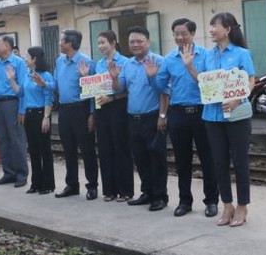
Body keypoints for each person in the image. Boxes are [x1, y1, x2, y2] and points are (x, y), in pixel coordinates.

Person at [182, 12, 254, 227]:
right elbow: (203, 83)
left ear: (228, 29)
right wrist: (189, 66)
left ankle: (242, 206)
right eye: (211, 26)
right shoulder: (207, 55)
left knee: (240, 163)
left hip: (237, 116)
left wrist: (238, 99)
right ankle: (227, 205)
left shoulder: (242, 53)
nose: (211, 29)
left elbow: (250, 80)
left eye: (215, 26)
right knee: (219, 163)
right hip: (212, 116)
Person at [146, 19, 219, 217]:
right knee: (182, 160)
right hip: (178, 113)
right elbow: (161, 87)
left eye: (183, 33)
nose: (179, 37)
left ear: (193, 34)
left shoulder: (206, 55)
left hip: (202, 112)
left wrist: (189, 66)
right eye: (176, 34)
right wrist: (152, 77)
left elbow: (209, 84)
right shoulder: (169, 59)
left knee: (208, 159)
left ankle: (212, 201)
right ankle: (184, 201)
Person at [109, 26, 169, 212]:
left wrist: (162, 115)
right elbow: (120, 89)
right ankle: (147, 192)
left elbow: (165, 91)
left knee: (156, 157)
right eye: (132, 42)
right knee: (140, 157)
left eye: (139, 41)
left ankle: (160, 196)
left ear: (148, 42)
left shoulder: (159, 61)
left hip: (153, 116)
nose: (135, 45)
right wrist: (114, 79)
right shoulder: (128, 64)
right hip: (133, 118)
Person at [80, 31, 132, 202]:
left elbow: (126, 90)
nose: (101, 46)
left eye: (103, 42)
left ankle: (125, 191)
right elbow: (95, 89)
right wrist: (86, 78)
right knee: (104, 149)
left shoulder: (125, 62)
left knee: (121, 148)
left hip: (118, 107)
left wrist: (113, 95)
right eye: (99, 43)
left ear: (113, 42)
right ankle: (109, 190)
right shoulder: (98, 64)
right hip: (101, 108)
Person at [50, 29, 99, 200]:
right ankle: (72, 184)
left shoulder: (87, 62)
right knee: (68, 149)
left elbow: (94, 91)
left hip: (81, 109)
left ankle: (92, 186)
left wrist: (92, 114)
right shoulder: (59, 62)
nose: (59, 43)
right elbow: (55, 85)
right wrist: (44, 84)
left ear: (70, 43)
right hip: (64, 110)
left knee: (87, 150)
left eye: (62, 40)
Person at [0, 35, 29, 188]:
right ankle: (9, 173)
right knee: (3, 140)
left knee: (17, 141)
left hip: (13, 103)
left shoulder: (19, 63)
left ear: (7, 46)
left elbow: (24, 88)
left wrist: (22, 110)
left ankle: (21, 174)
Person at [21, 46, 55, 195]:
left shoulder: (45, 75)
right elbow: (21, 93)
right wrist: (10, 79)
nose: (24, 58)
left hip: (41, 113)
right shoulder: (28, 74)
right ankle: (36, 183)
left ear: (34, 59)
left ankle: (47, 184)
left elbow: (49, 96)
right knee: (33, 150)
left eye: (27, 56)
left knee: (44, 150)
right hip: (29, 114)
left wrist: (46, 118)